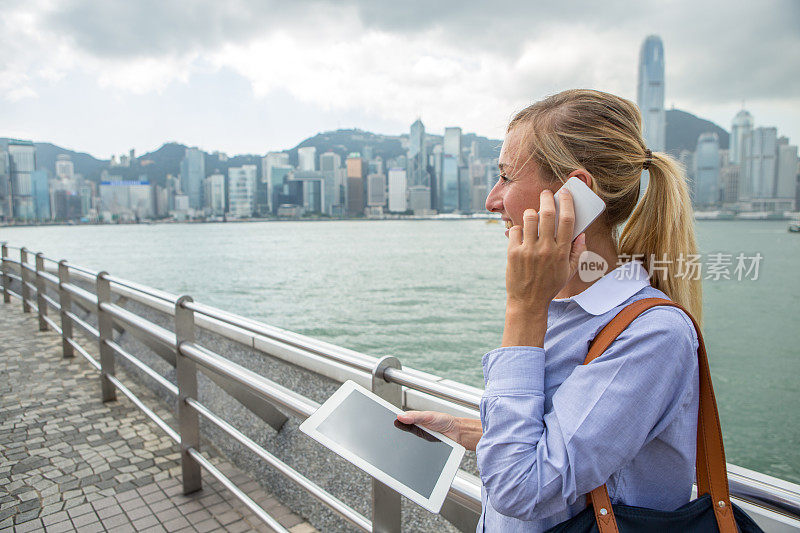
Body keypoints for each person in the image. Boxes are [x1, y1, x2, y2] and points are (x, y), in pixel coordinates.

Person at [397, 89, 702, 531]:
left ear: (573, 192)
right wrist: (469, 432)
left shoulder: (653, 335)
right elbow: (576, 445)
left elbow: (521, 489)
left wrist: (523, 307)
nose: (492, 200)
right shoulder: (563, 309)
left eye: (505, 177)